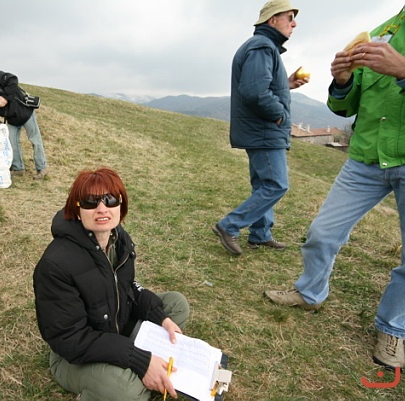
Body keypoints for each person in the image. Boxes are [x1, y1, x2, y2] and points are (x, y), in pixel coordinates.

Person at [265, 6, 405, 369]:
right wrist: (342, 81)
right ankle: (310, 292)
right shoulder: (382, 31)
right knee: (322, 232)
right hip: (365, 157)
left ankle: (393, 328)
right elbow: (345, 106)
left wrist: (403, 71)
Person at [33, 167, 190, 401]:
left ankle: (138, 370)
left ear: (120, 205)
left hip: (117, 327)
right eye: (90, 202)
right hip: (76, 355)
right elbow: (70, 339)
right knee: (126, 391)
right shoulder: (55, 265)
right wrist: (139, 359)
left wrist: (160, 318)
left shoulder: (118, 238)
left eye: (110, 199)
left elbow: (127, 287)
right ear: (77, 211)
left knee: (175, 305)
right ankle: (123, 379)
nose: (102, 208)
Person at [212, 0, 308, 256]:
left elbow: (259, 86)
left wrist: (286, 84)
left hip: (259, 130)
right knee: (276, 185)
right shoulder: (262, 46)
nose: (294, 24)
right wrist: (279, 114)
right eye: (289, 17)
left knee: (263, 184)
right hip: (264, 130)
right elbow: (255, 91)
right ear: (272, 20)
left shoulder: (263, 47)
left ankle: (260, 234)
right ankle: (229, 226)